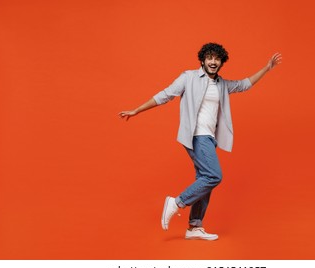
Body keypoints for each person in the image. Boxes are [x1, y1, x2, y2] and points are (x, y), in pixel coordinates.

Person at [119, 43, 282, 241]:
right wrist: (137, 110)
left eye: (217, 59)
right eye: (209, 58)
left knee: (204, 180)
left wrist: (267, 68)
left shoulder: (221, 84)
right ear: (203, 60)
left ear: (221, 62)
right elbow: (165, 95)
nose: (213, 62)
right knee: (214, 176)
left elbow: (244, 84)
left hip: (210, 138)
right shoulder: (188, 77)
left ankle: (194, 226)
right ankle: (176, 202)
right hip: (197, 135)